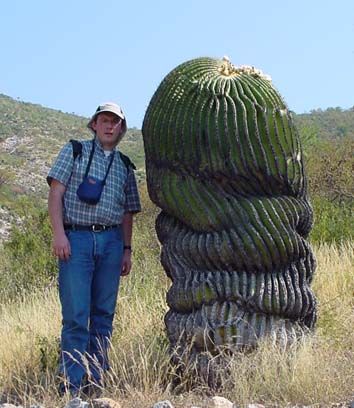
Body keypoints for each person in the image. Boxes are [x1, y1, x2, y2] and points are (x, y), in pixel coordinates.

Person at [47, 102, 141, 395]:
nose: (110, 126)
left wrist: (127, 249)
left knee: (103, 314)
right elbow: (55, 192)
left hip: (112, 242)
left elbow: (128, 212)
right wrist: (59, 234)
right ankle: (72, 388)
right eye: (105, 120)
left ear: (121, 129)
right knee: (76, 315)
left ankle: (96, 383)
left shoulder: (126, 166)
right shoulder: (74, 151)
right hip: (77, 239)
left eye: (116, 122)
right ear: (94, 124)